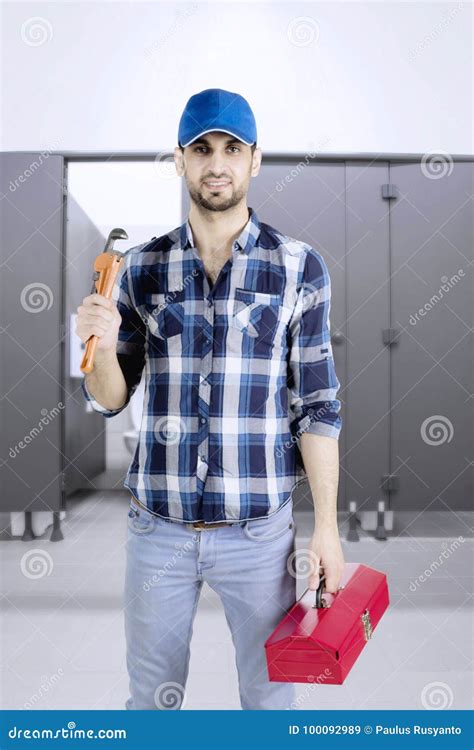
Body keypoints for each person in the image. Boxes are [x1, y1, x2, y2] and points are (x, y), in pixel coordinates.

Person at [75, 88, 345, 710]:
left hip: (260, 534)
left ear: (254, 161)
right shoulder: (142, 268)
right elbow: (112, 398)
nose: (216, 162)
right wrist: (103, 345)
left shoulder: (300, 267)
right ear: (179, 160)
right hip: (159, 531)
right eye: (201, 148)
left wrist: (326, 530)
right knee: (151, 702)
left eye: (231, 148)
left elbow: (319, 407)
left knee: (270, 702)